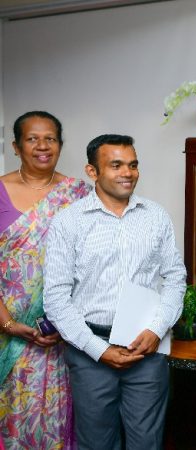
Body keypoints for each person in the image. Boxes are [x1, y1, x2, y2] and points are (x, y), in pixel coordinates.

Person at [43, 134, 186, 450]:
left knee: (147, 442)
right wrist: (99, 349)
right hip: (89, 350)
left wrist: (157, 329)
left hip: (146, 349)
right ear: (92, 171)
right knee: (97, 443)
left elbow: (175, 279)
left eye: (133, 165)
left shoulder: (156, 215)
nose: (128, 173)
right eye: (116, 165)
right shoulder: (68, 222)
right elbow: (55, 299)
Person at [0, 111, 89, 449]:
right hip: (5, 328)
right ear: (16, 146)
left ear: (60, 145)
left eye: (50, 138)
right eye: (32, 138)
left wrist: (66, 323)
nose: (42, 146)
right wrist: (9, 324)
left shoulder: (79, 195)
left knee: (57, 416)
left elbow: (92, 265)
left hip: (61, 330)